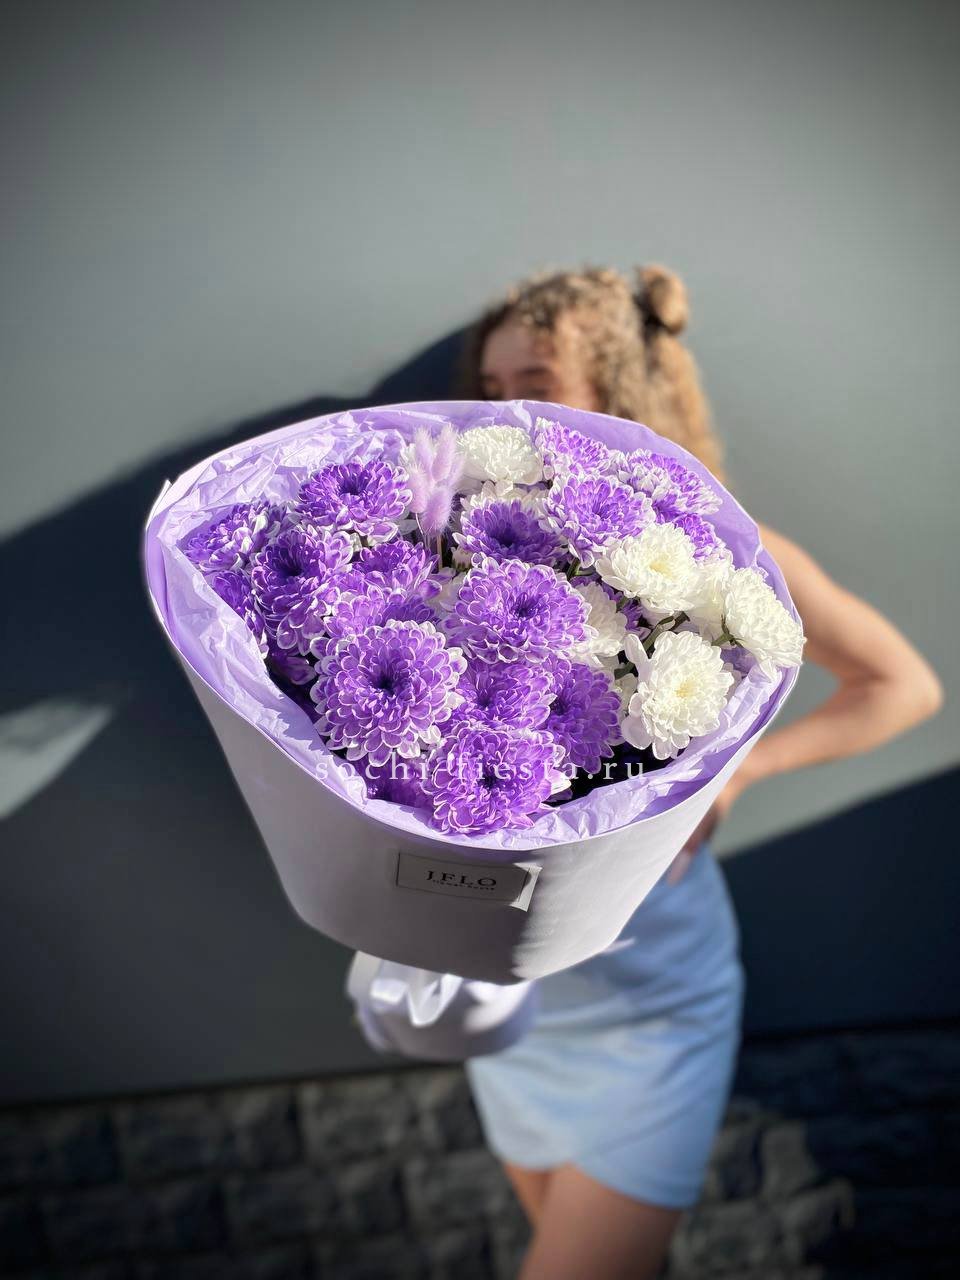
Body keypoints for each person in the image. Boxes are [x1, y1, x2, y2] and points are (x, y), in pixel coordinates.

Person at [455, 264, 944, 1280]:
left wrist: (738, 774)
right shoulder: (465, 546)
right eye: (492, 389)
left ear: (616, 392)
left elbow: (903, 685)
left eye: (536, 383)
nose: (505, 410)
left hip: (653, 1001)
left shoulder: (726, 550)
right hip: (523, 997)